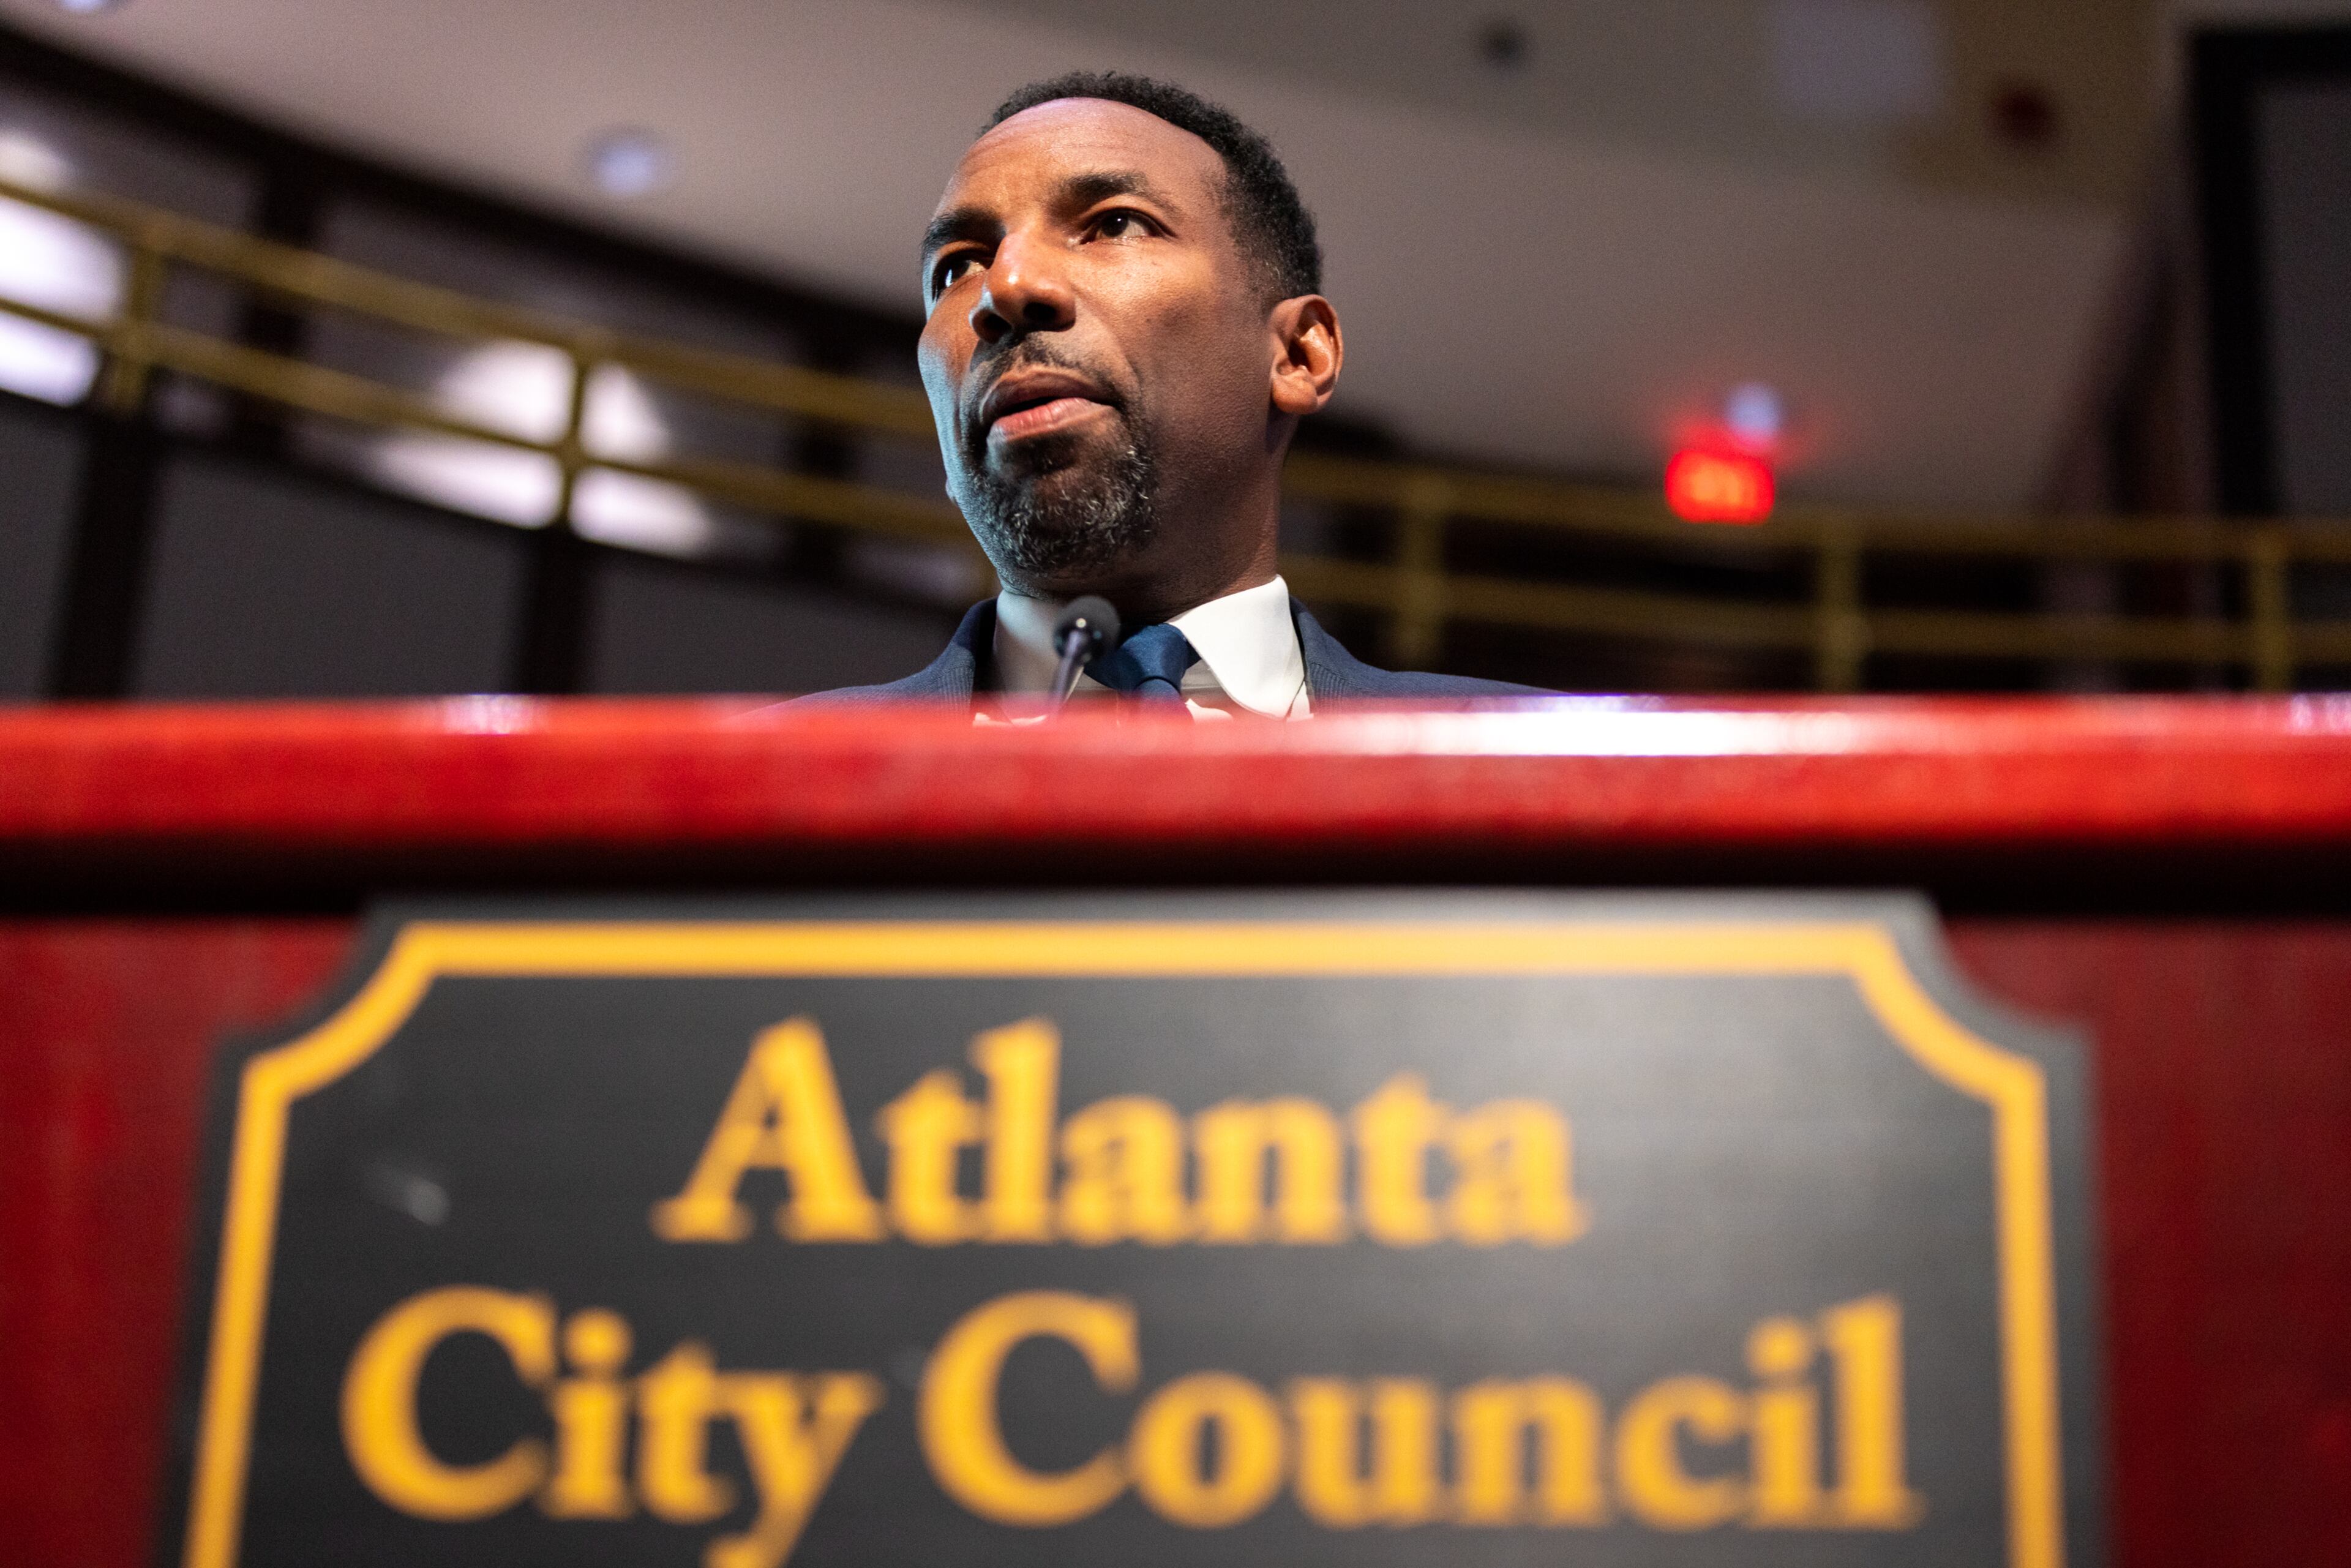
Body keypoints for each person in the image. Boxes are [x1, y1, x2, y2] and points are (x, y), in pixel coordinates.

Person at [808, 71, 1544, 713]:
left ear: (1296, 354)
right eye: (957, 266)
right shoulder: (750, 800)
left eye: (1114, 224)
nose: (1004, 288)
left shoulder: (1563, 776)